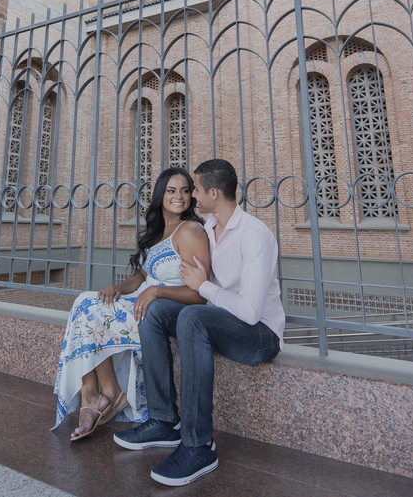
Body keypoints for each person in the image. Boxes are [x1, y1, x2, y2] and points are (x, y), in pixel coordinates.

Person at [113, 158, 285, 487]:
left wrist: (203, 287)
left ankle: (199, 444)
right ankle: (163, 420)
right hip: (221, 319)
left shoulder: (254, 236)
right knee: (155, 309)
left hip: (259, 335)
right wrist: (155, 290)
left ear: (214, 193)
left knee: (192, 317)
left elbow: (249, 312)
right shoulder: (208, 229)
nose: (191, 195)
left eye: (196, 189)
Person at [53, 168, 210, 441]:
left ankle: (106, 395)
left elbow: (200, 295)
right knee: (86, 300)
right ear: (160, 194)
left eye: (185, 190)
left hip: (166, 314)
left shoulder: (190, 231)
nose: (179, 196)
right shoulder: (160, 230)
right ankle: (94, 392)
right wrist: (117, 288)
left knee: (92, 310)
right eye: (172, 190)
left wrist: (158, 293)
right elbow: (143, 275)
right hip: (143, 303)